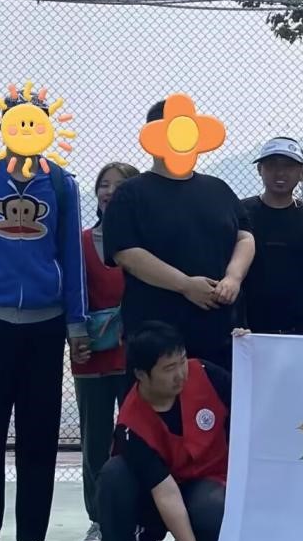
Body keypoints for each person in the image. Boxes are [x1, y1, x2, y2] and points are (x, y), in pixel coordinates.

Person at [0, 91, 90, 541]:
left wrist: (76, 324)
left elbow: (72, 257)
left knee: (39, 433)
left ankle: (31, 537)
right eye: (17, 120)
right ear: (3, 124)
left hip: (45, 328)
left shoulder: (63, 185)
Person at [80, 322, 231, 541]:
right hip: (158, 494)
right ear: (141, 374)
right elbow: (166, 492)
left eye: (182, 361)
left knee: (212, 505)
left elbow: (253, 397)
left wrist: (248, 347)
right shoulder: (131, 424)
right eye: (169, 368)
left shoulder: (207, 374)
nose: (181, 374)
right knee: (114, 474)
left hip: (207, 483)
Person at [101, 99, 255, 371]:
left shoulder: (218, 189)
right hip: (157, 338)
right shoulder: (131, 193)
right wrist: (185, 284)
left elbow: (245, 236)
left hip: (220, 333)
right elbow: (126, 253)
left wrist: (233, 277)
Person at [72, 162, 138, 541]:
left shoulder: (147, 243)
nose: (109, 191)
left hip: (134, 356)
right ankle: (99, 520)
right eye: (103, 184)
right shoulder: (80, 242)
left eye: (119, 185)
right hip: (91, 353)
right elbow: (71, 294)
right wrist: (74, 335)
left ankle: (137, 521)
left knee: (136, 438)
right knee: (95, 442)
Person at [241, 137, 303, 335]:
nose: (280, 173)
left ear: (302, 172)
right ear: (259, 169)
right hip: (247, 330)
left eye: (288, 166)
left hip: (301, 329)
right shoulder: (241, 213)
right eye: (272, 165)